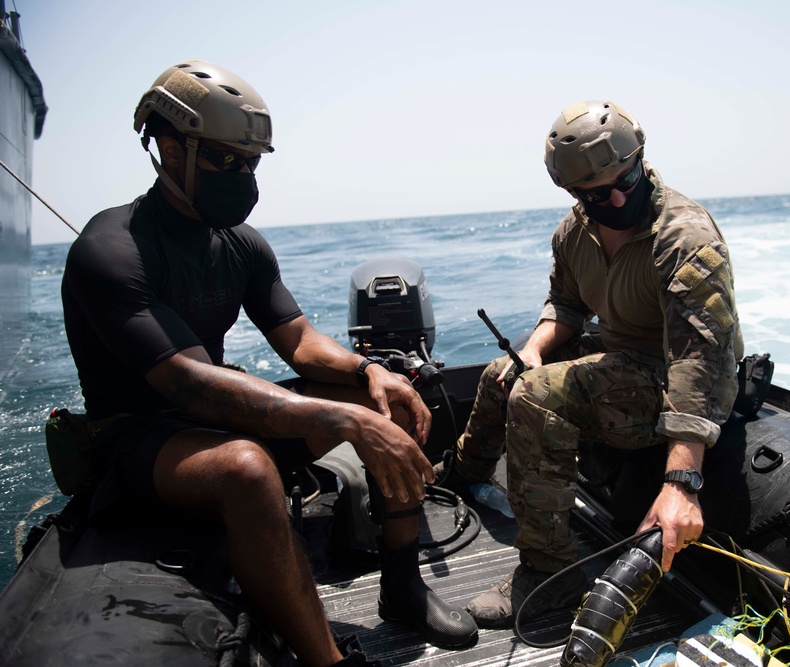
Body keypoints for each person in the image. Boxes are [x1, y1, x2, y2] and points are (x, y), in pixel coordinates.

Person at [60, 60, 477, 665]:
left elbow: (299, 338)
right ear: (171, 150)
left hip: (215, 415)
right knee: (247, 469)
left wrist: (369, 375)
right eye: (224, 160)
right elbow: (186, 384)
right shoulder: (110, 249)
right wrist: (339, 423)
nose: (241, 176)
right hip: (137, 438)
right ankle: (325, 659)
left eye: (250, 163)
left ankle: (402, 585)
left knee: (381, 402)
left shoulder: (240, 243)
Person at [439, 100, 743, 628]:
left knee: (536, 397)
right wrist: (533, 349)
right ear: (575, 194)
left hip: (668, 374)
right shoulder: (574, 233)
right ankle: (462, 475)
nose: (620, 197)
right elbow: (567, 305)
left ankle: (549, 574)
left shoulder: (685, 238)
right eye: (599, 194)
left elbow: (700, 362)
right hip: (618, 356)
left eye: (627, 178)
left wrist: (682, 481)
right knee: (503, 374)